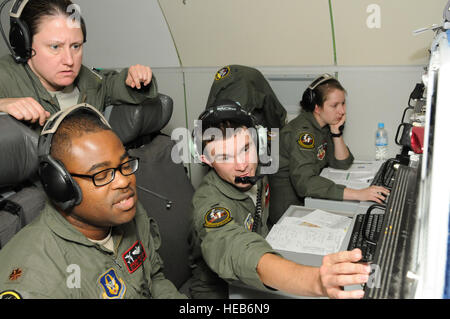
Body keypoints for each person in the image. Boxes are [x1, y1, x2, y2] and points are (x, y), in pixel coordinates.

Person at [188, 100, 371, 299]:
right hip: (221, 292)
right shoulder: (208, 202)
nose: (242, 165)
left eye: (246, 148)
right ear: (205, 159)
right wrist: (315, 280)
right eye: (225, 157)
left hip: (260, 270)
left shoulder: (257, 172)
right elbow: (236, 247)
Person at [0, 104, 186, 299]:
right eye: (102, 174)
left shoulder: (127, 210)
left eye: (125, 164)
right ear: (61, 186)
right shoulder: (36, 282)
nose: (125, 180)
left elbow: (154, 278)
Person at [0, 0, 156, 128]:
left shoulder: (91, 82)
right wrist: (2, 105)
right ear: (24, 45)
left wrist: (136, 77)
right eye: (55, 47)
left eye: (76, 46)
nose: (69, 60)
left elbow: (115, 84)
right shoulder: (5, 77)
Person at [269, 74, 390, 224]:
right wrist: (358, 194)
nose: (342, 111)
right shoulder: (303, 134)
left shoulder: (323, 126)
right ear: (317, 108)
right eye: (334, 105)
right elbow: (305, 183)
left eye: (343, 103)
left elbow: (343, 162)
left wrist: (336, 132)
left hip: (308, 201)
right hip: (289, 214)